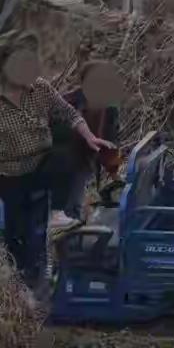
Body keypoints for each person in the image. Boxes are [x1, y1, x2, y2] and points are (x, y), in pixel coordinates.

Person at [0, 30, 114, 285]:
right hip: (10, 173)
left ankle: (58, 216)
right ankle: (24, 282)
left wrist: (89, 137)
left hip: (44, 164)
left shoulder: (40, 88)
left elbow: (69, 114)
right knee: (17, 234)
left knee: (66, 158)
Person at [56, 61, 123, 220]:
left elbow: (110, 142)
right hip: (60, 159)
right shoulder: (68, 101)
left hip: (82, 162)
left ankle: (70, 230)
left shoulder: (109, 108)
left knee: (73, 206)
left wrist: (114, 172)